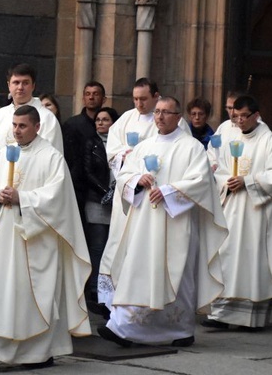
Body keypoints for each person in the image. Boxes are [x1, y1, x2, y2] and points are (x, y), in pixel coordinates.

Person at [0, 105, 91, 370]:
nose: (16, 131)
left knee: (29, 296)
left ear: (37, 127)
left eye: (22, 126)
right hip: (1, 236)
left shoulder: (51, 157)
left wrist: (23, 199)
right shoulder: (6, 153)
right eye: (14, 126)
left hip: (35, 241)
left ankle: (36, 354)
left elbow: (58, 198)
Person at [97, 97, 228, 347]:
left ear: (179, 116)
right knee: (139, 271)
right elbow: (124, 176)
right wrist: (137, 180)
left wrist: (169, 191)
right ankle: (124, 326)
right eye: (157, 112)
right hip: (145, 224)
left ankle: (180, 331)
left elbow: (201, 183)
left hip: (177, 223)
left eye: (166, 112)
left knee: (178, 273)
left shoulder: (191, 147)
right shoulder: (144, 146)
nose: (159, 117)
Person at [204, 95, 272, 330]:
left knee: (252, 259)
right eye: (235, 116)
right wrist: (226, 181)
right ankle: (222, 314)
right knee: (226, 256)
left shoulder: (270, 141)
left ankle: (251, 318)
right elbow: (217, 167)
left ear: (256, 115)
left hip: (257, 213)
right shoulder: (229, 138)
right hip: (231, 207)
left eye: (244, 116)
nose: (239, 121)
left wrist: (247, 182)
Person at [0, 63, 63, 176]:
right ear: (9, 85)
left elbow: (50, 155)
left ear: (33, 86)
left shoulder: (46, 118)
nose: (20, 87)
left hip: (30, 179)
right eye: (16, 82)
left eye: (25, 83)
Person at [82, 107, 118, 306]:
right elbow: (88, 171)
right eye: (98, 120)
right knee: (98, 246)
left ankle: (112, 289)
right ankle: (96, 289)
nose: (101, 123)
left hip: (119, 200)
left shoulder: (119, 142)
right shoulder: (92, 143)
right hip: (97, 200)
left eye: (105, 119)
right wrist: (105, 191)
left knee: (114, 246)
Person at [62, 81, 107, 216]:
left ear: (103, 99)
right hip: (78, 186)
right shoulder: (72, 124)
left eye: (95, 94)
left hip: (101, 184)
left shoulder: (112, 123)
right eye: (88, 94)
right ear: (83, 98)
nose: (91, 97)